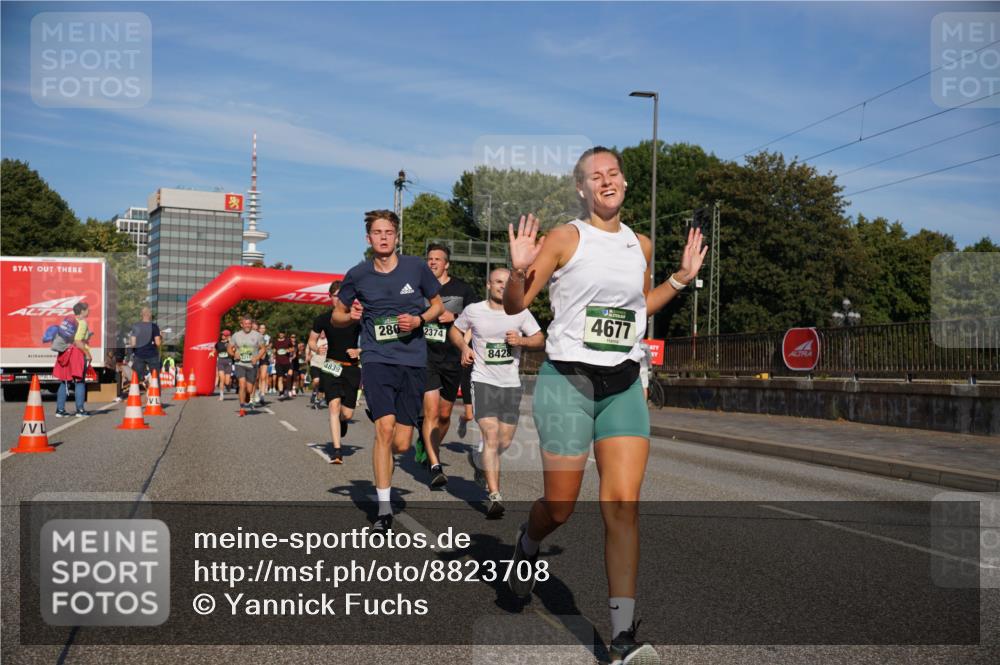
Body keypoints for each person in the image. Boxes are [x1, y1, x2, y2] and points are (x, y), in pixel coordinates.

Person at [502, 147, 706, 665]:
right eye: (595, 176)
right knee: (562, 506)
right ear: (582, 189)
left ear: (625, 183)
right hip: (567, 382)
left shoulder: (641, 243)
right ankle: (527, 543)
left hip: (622, 387)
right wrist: (520, 271)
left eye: (613, 173)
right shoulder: (565, 238)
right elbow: (517, 305)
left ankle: (621, 638)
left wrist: (679, 279)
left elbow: (639, 309)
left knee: (622, 507)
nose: (606, 181)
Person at [331, 209, 444, 532]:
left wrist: (420, 320)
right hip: (377, 358)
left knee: (403, 443)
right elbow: (336, 316)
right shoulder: (358, 274)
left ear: (396, 237)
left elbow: (437, 305)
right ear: (368, 239)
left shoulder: (416, 268)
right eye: (377, 233)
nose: (383, 237)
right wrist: (350, 316)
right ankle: (383, 510)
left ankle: (390, 431)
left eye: (388, 232)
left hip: (412, 360)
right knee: (384, 429)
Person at [450, 267, 543, 518]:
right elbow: (455, 331)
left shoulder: (521, 312)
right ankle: (494, 495)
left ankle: (479, 462)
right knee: (491, 436)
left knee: (503, 442)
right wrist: (463, 347)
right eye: (498, 282)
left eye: (507, 282)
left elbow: (539, 339)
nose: (502, 286)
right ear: (489, 285)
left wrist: (521, 341)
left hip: (510, 384)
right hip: (483, 381)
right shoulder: (473, 311)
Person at [417, 243, 480, 488]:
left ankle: (428, 443)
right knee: (431, 413)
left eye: (437, 259)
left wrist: (455, 317)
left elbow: (477, 316)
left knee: (444, 416)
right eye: (429, 259)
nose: (432, 262)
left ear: (447, 264)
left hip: (452, 359)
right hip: (426, 357)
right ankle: (435, 465)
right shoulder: (419, 288)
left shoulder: (462, 289)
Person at [311, 281, 362, 464]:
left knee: (347, 414)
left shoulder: (357, 318)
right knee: (333, 406)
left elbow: (371, 341)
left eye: (344, 296)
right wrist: (316, 349)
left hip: (351, 368)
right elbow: (311, 340)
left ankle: (343, 421)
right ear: (330, 297)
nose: (340, 299)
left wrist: (359, 351)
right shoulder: (323, 319)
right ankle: (337, 450)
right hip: (331, 366)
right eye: (336, 296)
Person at [53, 302, 92, 417]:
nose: (88, 311)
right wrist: (87, 353)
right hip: (76, 353)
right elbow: (78, 341)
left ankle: (60, 410)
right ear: (82, 311)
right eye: (87, 310)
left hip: (65, 352)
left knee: (64, 381)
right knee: (79, 382)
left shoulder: (70, 321)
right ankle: (80, 410)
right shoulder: (83, 323)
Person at [229, 316, 266, 417]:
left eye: (249, 324)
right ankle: (241, 408)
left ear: (251, 324)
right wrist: (233, 354)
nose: (247, 326)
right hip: (240, 364)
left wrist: (257, 357)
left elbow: (263, 349)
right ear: (242, 324)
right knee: (242, 385)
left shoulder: (258, 335)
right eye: (245, 324)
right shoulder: (236, 335)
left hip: (252, 365)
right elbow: (229, 348)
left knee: (249, 389)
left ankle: (247, 397)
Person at [129, 307, 162, 388]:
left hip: (139, 354)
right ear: (150, 315)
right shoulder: (154, 327)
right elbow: (158, 343)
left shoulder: (136, 326)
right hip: (152, 354)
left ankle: (134, 395)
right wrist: (161, 336)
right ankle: (156, 397)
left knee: (136, 377)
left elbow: (133, 343)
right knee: (155, 377)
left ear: (141, 315)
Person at [209, 330, 233, 400]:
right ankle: (221, 396)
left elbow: (235, 348)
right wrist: (212, 353)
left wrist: (230, 340)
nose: (222, 336)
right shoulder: (218, 343)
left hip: (228, 361)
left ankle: (229, 385)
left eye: (224, 335)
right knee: (222, 379)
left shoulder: (230, 343)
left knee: (227, 381)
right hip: (220, 362)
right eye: (222, 334)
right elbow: (214, 349)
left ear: (228, 336)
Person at [308, 330, 328, 409]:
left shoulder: (329, 340)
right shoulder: (314, 340)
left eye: (324, 332)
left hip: (325, 365)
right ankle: (314, 392)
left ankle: (318, 400)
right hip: (315, 363)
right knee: (316, 380)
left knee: (323, 385)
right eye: (321, 332)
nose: (322, 333)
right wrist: (308, 356)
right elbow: (308, 349)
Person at [273, 331, 294, 398]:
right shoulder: (275, 341)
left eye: (282, 333)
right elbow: (273, 350)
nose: (281, 334)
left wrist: (289, 350)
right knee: (280, 378)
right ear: (278, 334)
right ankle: (281, 393)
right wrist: (273, 352)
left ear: (284, 334)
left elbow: (292, 348)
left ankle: (287, 389)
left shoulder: (288, 341)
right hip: (278, 363)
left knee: (288, 377)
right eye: (280, 333)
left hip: (287, 363)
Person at [256, 322, 271, 404]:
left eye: (264, 328)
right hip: (256, 356)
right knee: (257, 377)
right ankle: (256, 391)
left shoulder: (268, 337)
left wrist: (267, 349)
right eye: (261, 328)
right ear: (258, 329)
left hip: (264, 357)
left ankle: (262, 395)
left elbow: (269, 346)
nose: (262, 329)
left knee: (263, 376)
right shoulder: (255, 336)